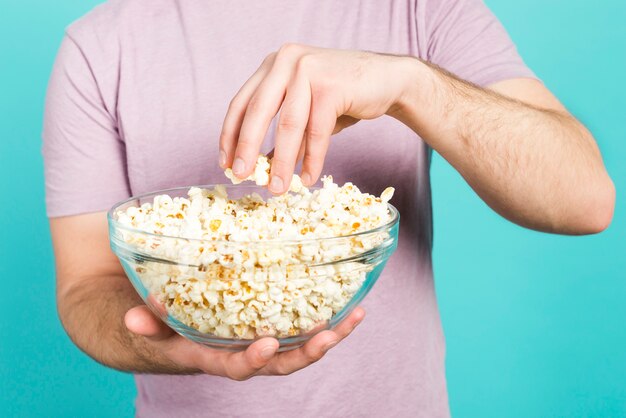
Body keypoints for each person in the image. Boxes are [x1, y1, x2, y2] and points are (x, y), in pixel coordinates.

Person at [43, 0, 615, 416]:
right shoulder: (100, 47)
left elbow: (586, 199)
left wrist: (409, 85)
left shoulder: (424, 12)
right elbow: (85, 287)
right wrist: (183, 348)